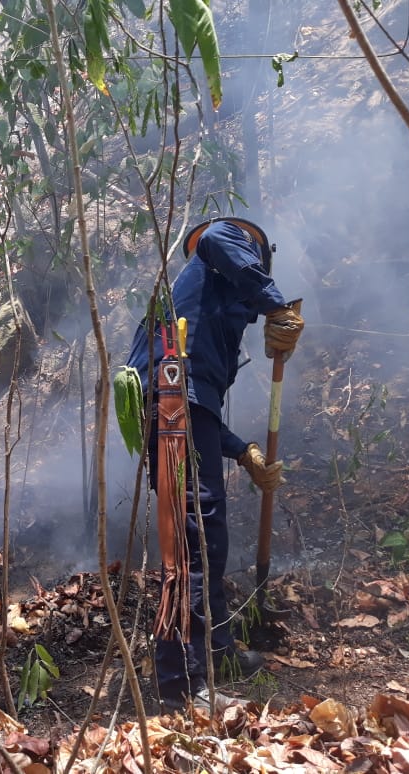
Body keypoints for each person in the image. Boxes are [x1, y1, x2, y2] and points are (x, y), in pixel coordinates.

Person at [126, 218, 304, 712]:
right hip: (169, 400)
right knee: (188, 544)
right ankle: (180, 685)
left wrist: (242, 449)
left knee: (208, 537)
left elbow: (201, 402)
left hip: (184, 407)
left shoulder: (204, 321)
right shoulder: (222, 239)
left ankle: (216, 654)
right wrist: (275, 303)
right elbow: (216, 236)